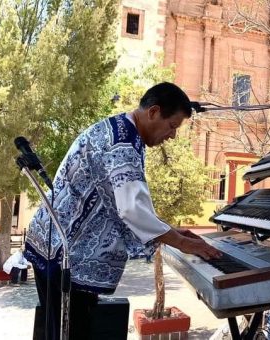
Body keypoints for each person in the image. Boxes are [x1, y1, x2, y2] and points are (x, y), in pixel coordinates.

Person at [24, 82, 222, 340]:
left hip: (55, 245)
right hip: (64, 253)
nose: (172, 136)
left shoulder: (122, 130)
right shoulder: (123, 144)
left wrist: (172, 230)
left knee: (63, 330)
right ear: (153, 112)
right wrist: (182, 242)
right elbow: (132, 210)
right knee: (68, 333)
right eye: (172, 126)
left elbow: (122, 200)